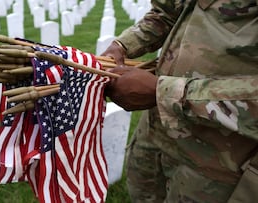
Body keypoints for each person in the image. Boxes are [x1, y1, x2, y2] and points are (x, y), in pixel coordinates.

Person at [101, 0, 258, 202]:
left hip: (219, 162)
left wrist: (166, 93)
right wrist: (123, 45)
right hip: (155, 132)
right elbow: (168, 11)